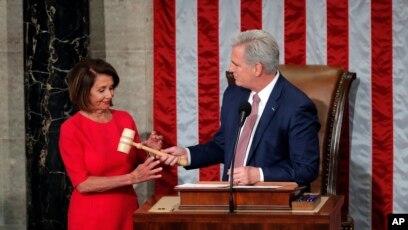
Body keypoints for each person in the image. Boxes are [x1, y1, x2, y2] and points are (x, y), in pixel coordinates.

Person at [161, 29, 320, 187]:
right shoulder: (234, 94)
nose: (230, 69)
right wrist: (188, 155)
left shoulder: (297, 106)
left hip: (270, 204)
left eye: (236, 64)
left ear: (257, 68)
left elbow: (306, 169)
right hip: (228, 198)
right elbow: (224, 145)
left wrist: (259, 174)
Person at [59, 58, 163, 230]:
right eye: (102, 90)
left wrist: (149, 150)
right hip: (91, 217)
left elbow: (136, 160)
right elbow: (83, 184)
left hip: (126, 211)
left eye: (111, 88)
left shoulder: (124, 119)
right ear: (84, 91)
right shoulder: (71, 129)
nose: (110, 95)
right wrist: (131, 178)